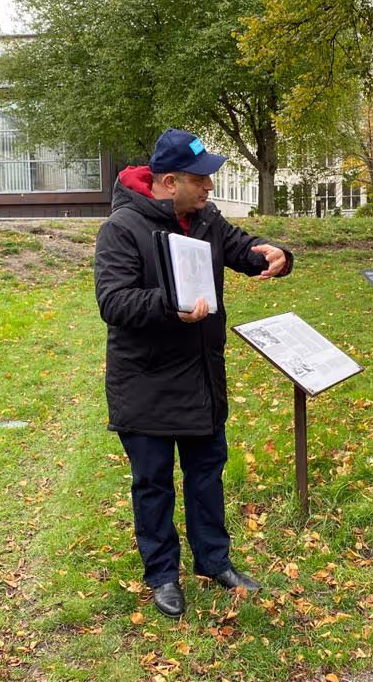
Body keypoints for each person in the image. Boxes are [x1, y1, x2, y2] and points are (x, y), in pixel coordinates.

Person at [94, 128, 293, 618]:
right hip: (147, 385)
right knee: (154, 483)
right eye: (200, 180)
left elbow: (240, 247)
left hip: (202, 378)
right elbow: (113, 302)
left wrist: (273, 253)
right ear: (168, 181)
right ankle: (162, 573)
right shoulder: (123, 228)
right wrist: (170, 305)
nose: (209, 188)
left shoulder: (204, 218)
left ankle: (214, 561)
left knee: (206, 475)